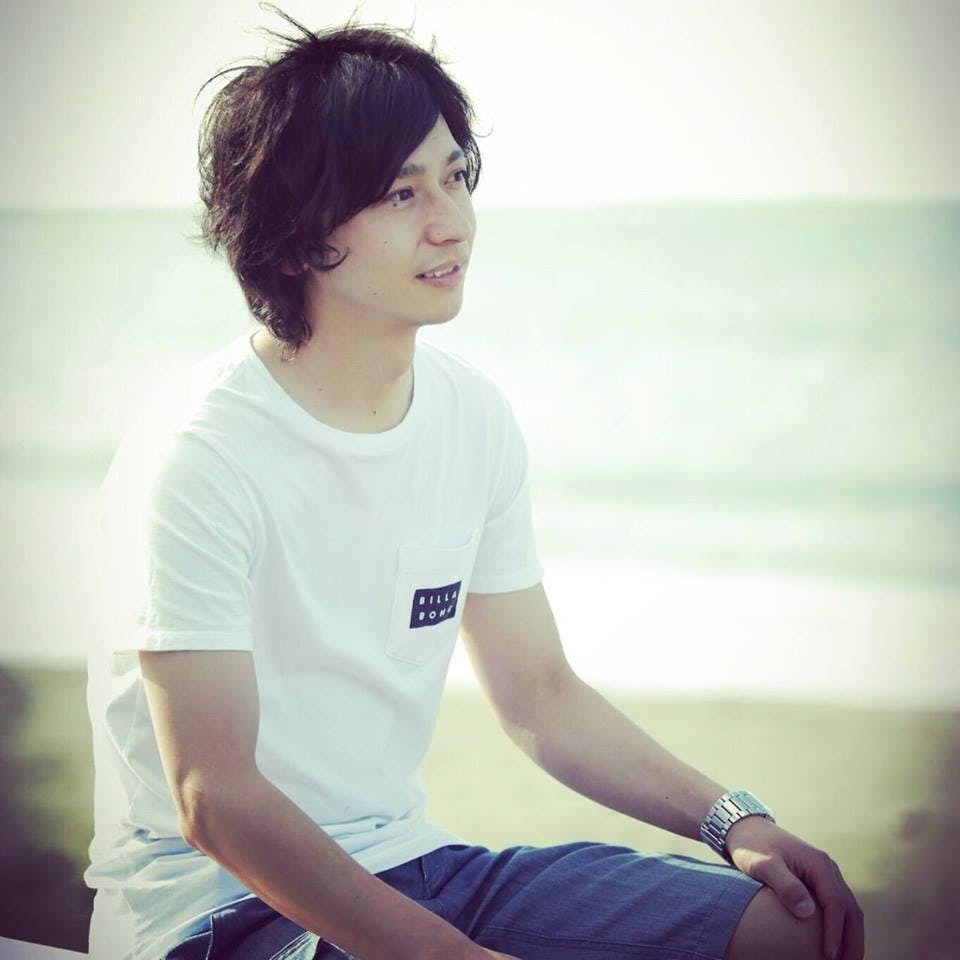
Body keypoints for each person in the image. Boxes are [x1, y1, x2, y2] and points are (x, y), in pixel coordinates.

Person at [84, 5, 865, 960]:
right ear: (293, 235)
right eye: (400, 194)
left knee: (788, 927)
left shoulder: (472, 418)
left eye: (455, 177)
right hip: (222, 915)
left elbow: (541, 695)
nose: (451, 222)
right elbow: (216, 798)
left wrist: (735, 821)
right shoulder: (200, 454)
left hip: (420, 862)